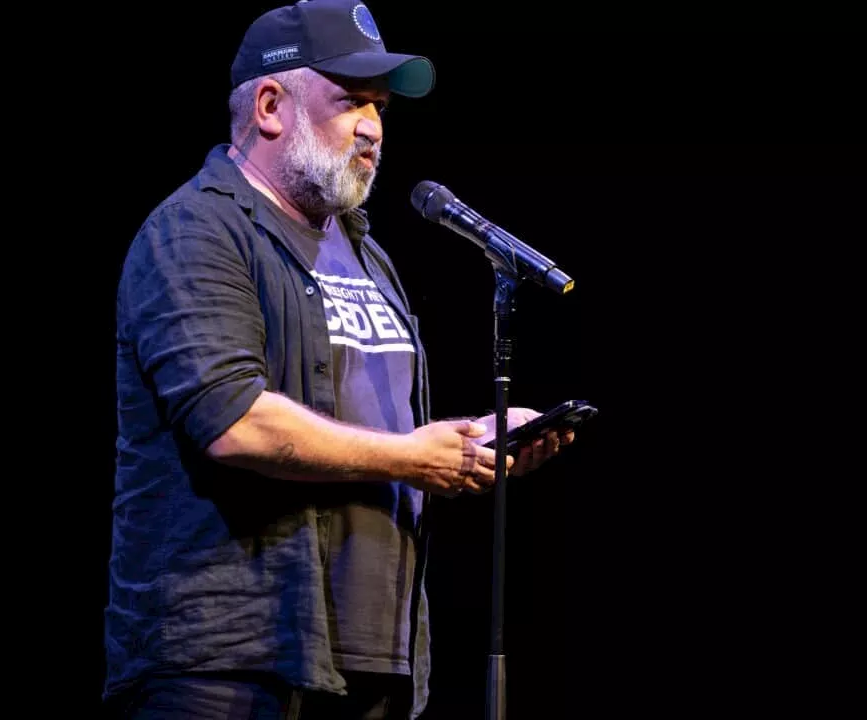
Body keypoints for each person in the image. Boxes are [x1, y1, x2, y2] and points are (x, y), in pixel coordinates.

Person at [104, 1, 575, 717]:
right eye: (351, 101)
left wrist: (471, 444)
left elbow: (383, 431)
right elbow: (235, 423)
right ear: (270, 106)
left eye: (381, 108)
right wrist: (413, 458)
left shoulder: (367, 254)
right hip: (231, 664)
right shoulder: (195, 231)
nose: (374, 129)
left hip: (373, 658)